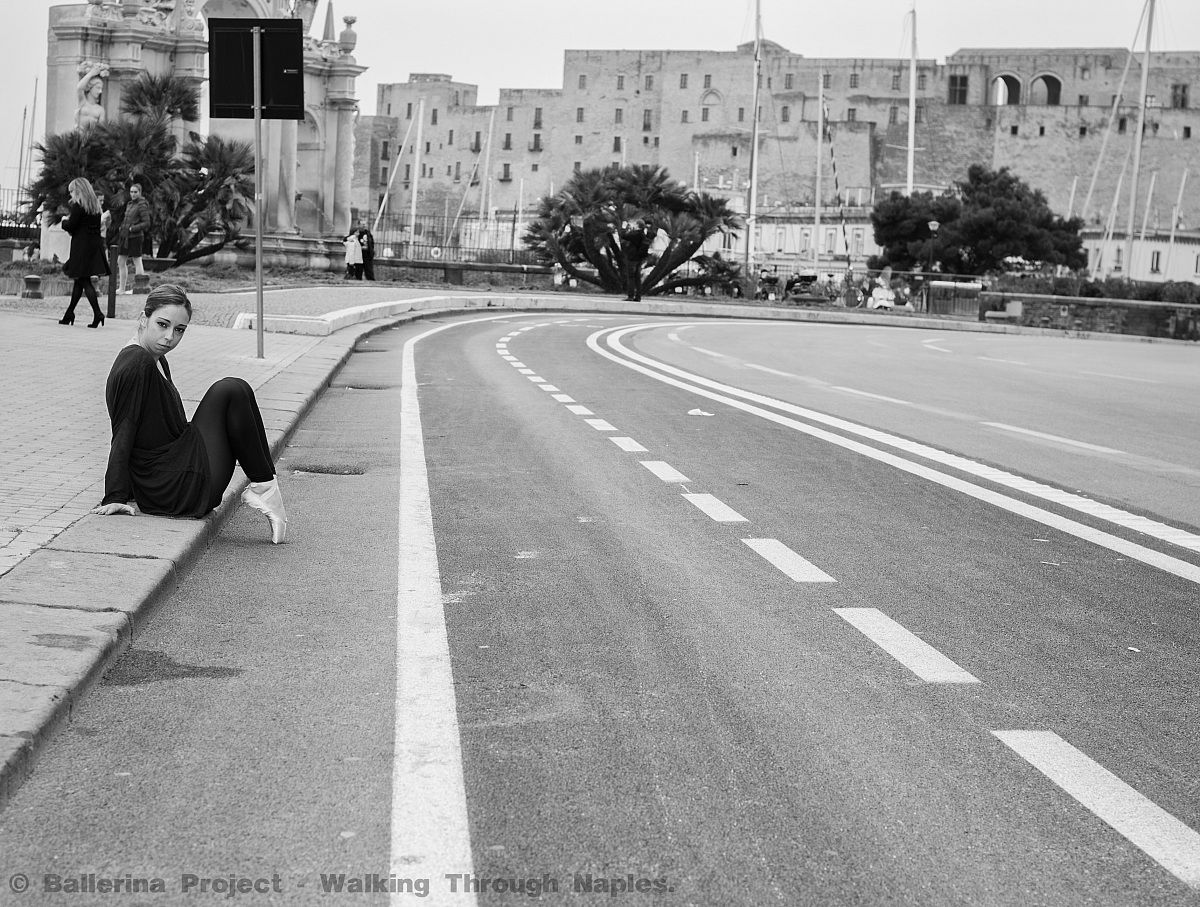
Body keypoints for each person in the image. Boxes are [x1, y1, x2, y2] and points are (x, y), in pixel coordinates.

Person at [91, 285, 288, 544]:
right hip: (173, 487)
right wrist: (115, 495)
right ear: (143, 318)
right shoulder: (137, 364)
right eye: (162, 324)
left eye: (179, 330)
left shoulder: (154, 359)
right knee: (230, 390)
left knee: (237, 388)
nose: (169, 337)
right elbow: (123, 429)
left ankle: (265, 487)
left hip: (178, 464)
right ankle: (264, 487)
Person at [59, 177, 110, 327]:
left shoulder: (79, 206)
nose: (71, 195)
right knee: (79, 280)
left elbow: (71, 226)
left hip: (81, 248)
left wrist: (63, 221)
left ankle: (98, 313)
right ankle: (69, 314)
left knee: (84, 281)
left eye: (72, 191)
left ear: (78, 190)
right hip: (94, 246)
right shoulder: (94, 206)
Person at [116, 181, 151, 295]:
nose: (133, 194)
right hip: (125, 237)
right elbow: (127, 219)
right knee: (121, 261)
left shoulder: (142, 204)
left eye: (135, 192)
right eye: (131, 192)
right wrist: (122, 227)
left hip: (136, 237)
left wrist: (132, 228)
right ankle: (122, 288)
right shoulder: (130, 204)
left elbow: (146, 223)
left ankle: (139, 288)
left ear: (140, 192)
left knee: (137, 260)